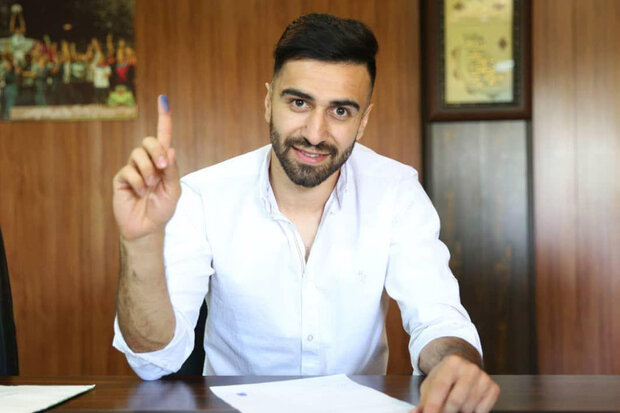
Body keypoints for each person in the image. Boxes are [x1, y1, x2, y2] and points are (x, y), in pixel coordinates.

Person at [112, 13, 499, 413]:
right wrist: (140, 242)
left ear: (363, 121)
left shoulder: (396, 190)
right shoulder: (203, 195)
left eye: (340, 111)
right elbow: (154, 361)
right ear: (269, 102)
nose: (315, 133)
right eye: (299, 102)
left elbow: (438, 320)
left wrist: (455, 364)